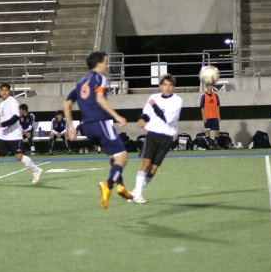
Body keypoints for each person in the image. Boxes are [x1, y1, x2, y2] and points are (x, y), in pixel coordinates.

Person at [63, 51, 132, 208]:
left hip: (87, 127)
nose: (107, 65)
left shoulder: (81, 82)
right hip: (100, 123)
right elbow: (100, 99)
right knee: (122, 157)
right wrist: (117, 116)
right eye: (105, 62)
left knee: (115, 157)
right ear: (99, 63)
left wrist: (71, 126)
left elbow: (66, 104)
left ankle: (121, 187)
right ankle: (108, 185)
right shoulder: (100, 78)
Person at [131, 74, 183, 204]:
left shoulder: (177, 100)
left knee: (153, 169)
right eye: (165, 85)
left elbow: (166, 118)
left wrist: (154, 106)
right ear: (160, 86)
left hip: (166, 137)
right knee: (146, 163)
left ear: (173, 87)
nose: (167, 87)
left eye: (170, 85)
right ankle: (138, 194)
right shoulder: (153, 97)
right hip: (152, 134)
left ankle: (136, 191)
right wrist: (141, 119)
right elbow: (146, 113)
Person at [0, 83, 42, 185]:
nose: (4, 92)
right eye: (2, 90)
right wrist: (2, 127)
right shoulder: (1, 104)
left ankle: (36, 170)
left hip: (14, 134)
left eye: (6, 90)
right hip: (2, 134)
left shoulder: (12, 101)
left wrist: (3, 124)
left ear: (9, 91)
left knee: (19, 157)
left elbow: (15, 117)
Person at [200, 82, 221, 148]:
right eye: (209, 86)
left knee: (217, 131)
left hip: (215, 116)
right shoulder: (203, 96)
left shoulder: (215, 95)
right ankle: (208, 145)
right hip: (207, 116)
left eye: (211, 86)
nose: (210, 87)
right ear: (207, 86)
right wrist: (203, 117)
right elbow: (202, 107)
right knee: (208, 131)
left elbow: (217, 106)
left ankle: (216, 145)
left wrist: (219, 116)